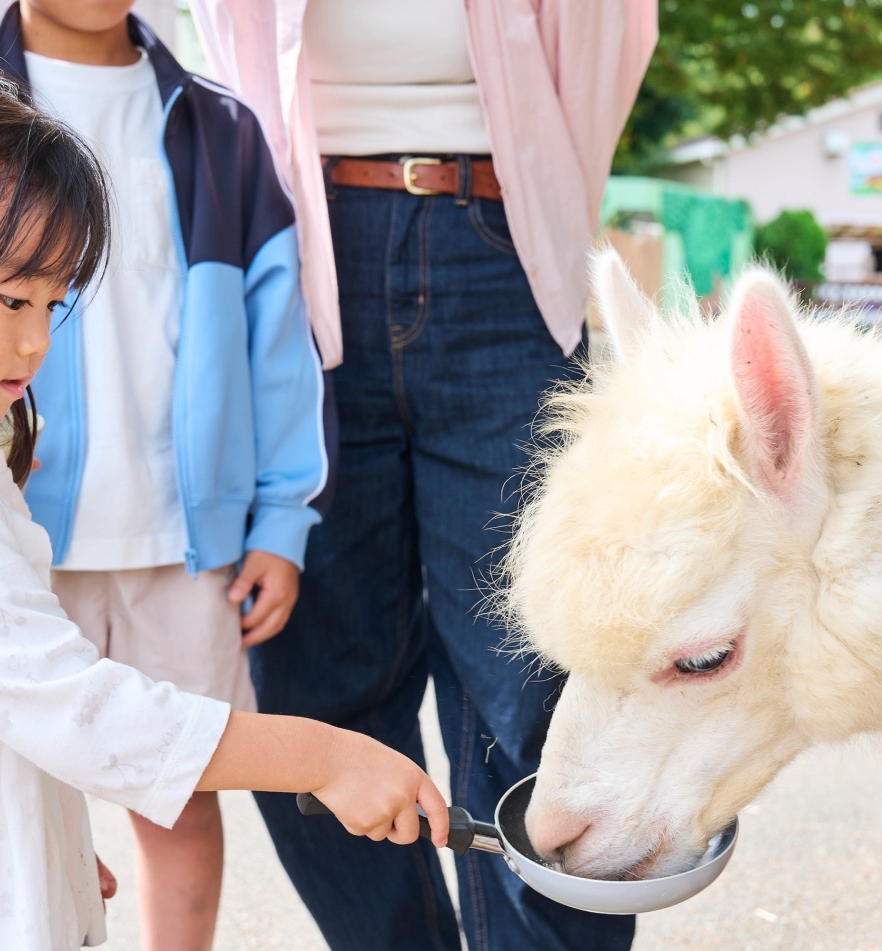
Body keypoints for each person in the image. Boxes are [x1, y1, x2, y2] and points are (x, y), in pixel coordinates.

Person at [0, 52, 446, 951]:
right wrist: (323, 753)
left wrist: (45, 838)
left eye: (53, 303)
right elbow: (76, 705)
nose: (37, 340)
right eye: (11, 298)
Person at [188, 1, 657, 948]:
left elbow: (609, 40)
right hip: (300, 246)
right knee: (317, 680)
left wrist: (552, 212)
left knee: (534, 682)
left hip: (500, 241)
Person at [0, 3, 331, 946]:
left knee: (176, 797)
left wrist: (279, 520)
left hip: (186, 545)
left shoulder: (219, 128)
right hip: (10, 537)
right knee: (9, 804)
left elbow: (276, 342)